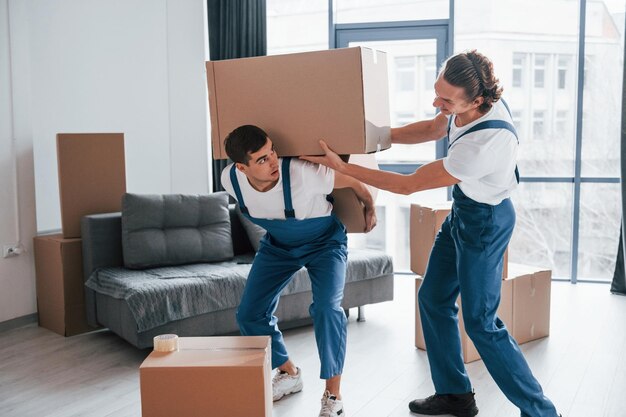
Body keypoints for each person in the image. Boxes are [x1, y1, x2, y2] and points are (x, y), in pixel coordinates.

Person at [302, 50, 561, 417]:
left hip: (486, 223)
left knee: (481, 324)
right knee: (433, 298)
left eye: (446, 99)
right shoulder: (464, 108)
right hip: (464, 212)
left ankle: (541, 412)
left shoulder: (484, 144)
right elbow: (432, 127)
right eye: (437, 92)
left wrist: (344, 167)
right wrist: (369, 137)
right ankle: (455, 394)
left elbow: (408, 185)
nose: (437, 103)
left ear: (478, 100)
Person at [221, 124, 376, 417]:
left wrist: (369, 206)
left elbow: (353, 181)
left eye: (272, 152)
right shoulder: (230, 180)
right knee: (249, 314)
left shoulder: (302, 173)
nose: (273, 162)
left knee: (327, 309)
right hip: (278, 245)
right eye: (262, 159)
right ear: (241, 167)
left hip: (324, 243)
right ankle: (290, 373)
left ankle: (333, 395)